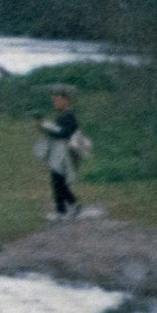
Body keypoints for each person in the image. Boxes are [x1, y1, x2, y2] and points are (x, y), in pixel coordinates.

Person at [38, 89, 92, 220]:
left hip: (66, 152)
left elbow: (64, 134)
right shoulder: (61, 116)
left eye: (57, 100)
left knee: (58, 182)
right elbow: (57, 132)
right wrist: (45, 128)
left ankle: (72, 206)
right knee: (57, 181)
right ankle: (61, 209)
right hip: (59, 152)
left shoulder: (69, 116)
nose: (55, 103)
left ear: (65, 100)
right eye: (54, 101)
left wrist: (48, 128)